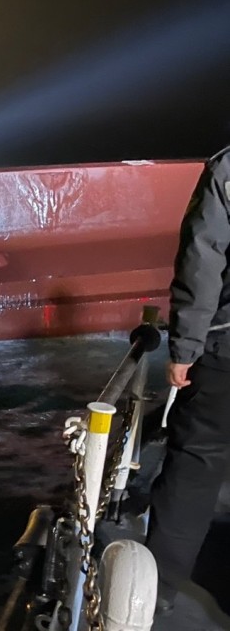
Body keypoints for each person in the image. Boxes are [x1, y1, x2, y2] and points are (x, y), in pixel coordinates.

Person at [147, 144, 230, 614]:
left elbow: (203, 259)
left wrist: (186, 347)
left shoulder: (228, 167)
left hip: (225, 350)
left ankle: (154, 594)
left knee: (196, 463)